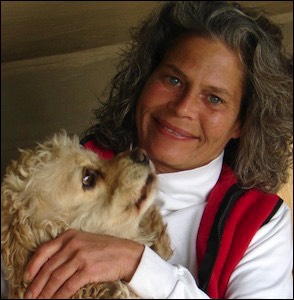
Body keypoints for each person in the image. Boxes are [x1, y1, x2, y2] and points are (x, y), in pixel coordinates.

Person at [20, 1, 292, 299]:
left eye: (214, 99)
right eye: (173, 79)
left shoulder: (260, 223)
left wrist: (136, 263)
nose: (183, 107)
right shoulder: (60, 173)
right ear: (146, 78)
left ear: (241, 122)